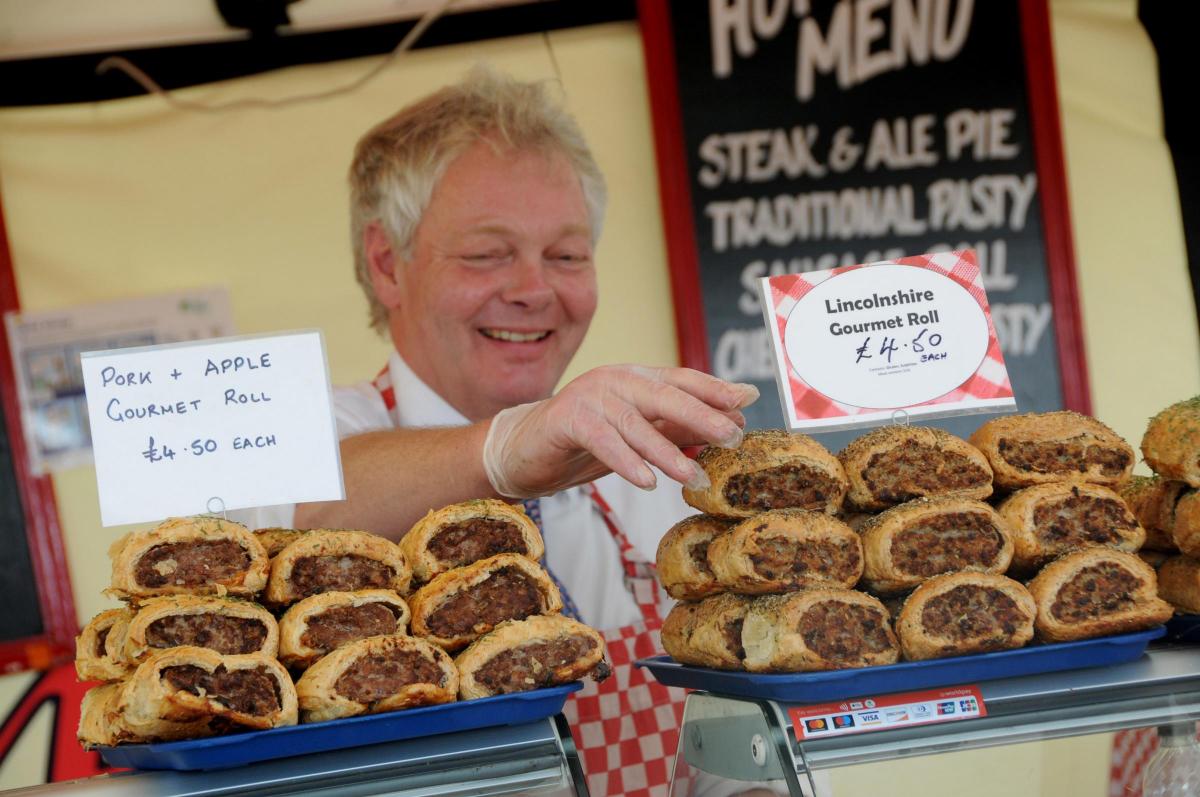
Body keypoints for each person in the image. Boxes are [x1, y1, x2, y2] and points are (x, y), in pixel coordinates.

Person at [243, 65, 759, 794]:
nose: (533, 289)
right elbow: (291, 507)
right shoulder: (322, 428)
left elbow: (738, 744)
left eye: (567, 254)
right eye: (487, 254)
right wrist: (504, 450)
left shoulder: (654, 469)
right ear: (387, 265)